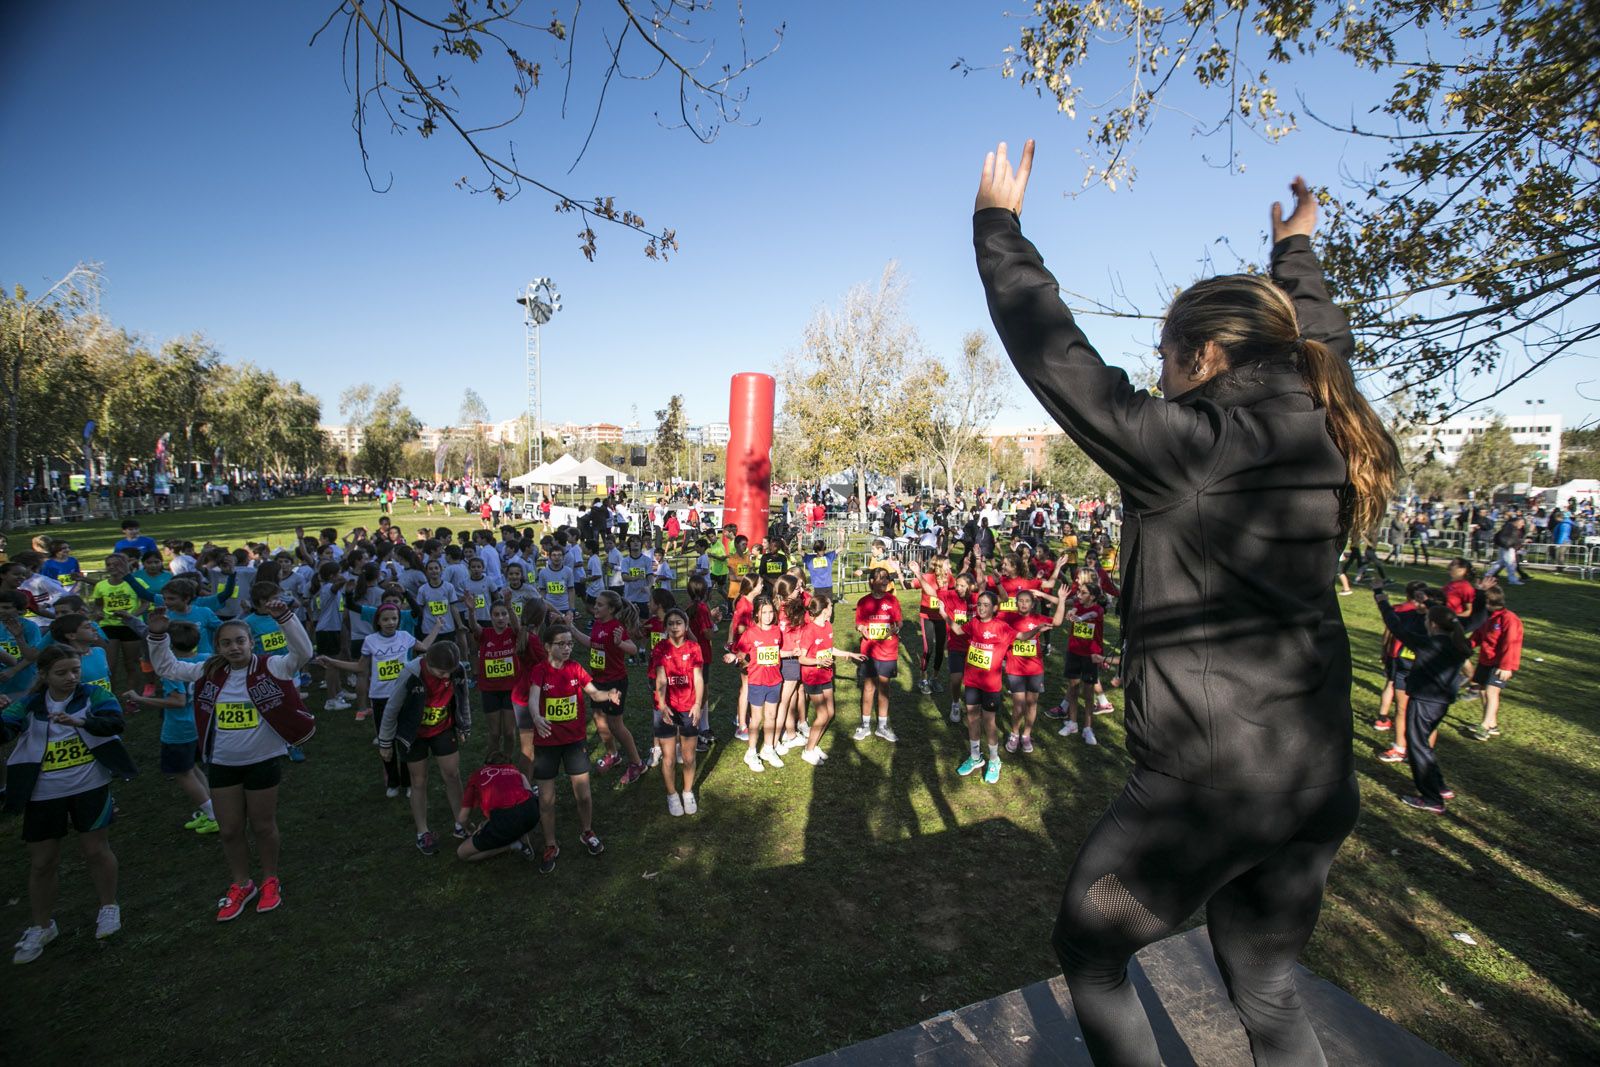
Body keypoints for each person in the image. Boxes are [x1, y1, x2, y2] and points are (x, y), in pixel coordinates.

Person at [976, 149, 1399, 1064]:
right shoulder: (1326, 419)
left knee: (1089, 953)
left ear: (1204, 356)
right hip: (1318, 779)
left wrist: (997, 234)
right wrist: (1296, 254)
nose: (1158, 376)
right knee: (1268, 986)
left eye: (1166, 360)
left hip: (1207, 789)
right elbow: (1323, 340)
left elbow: (1064, 365)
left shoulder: (1191, 449)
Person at [146, 598, 315, 922]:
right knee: (229, 830)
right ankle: (242, 883)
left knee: (264, 826)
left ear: (251, 642)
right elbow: (167, 668)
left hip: (263, 759)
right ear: (217, 647)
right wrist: (157, 637)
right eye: (226, 643)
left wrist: (285, 618)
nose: (234, 648)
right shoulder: (207, 671)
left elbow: (302, 654)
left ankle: (269, 879)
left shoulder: (271, 667)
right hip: (222, 763)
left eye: (240, 641)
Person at [2, 645, 134, 963]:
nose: (71, 678)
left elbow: (115, 723)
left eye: (75, 670)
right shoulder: (30, 704)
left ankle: (108, 907)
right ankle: (42, 925)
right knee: (42, 862)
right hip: (43, 793)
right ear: (44, 675)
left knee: (95, 850)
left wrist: (80, 723)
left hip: (90, 786)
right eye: (61, 673)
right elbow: (5, 731)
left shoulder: (93, 695)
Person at [1371, 574, 1490, 812]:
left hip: (1424, 702)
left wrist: (1379, 595)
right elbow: (1478, 616)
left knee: (1417, 749)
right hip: (1441, 702)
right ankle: (1440, 787)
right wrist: (1479, 593)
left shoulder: (1427, 644)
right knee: (1423, 745)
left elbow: (1393, 624)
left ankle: (1431, 798)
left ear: (1432, 624)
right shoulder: (1458, 641)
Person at [513, 625, 619, 874]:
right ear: (548, 647)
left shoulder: (575, 669)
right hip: (547, 743)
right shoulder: (540, 671)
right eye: (561, 643)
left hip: (574, 742)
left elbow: (593, 692)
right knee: (547, 800)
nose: (567, 647)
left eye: (570, 643)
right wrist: (537, 717)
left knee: (583, 794)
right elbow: (533, 697)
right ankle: (550, 844)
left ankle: (587, 831)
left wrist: (608, 694)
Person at [376, 644, 473, 854]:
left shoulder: (457, 670)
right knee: (418, 781)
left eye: (449, 671)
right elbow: (392, 708)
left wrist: (464, 724)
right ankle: (423, 832)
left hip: (443, 729)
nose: (446, 676)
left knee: (452, 775)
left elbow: (463, 696)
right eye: (440, 672)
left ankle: (461, 823)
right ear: (428, 662)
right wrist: (385, 742)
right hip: (414, 735)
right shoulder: (411, 673)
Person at [121, 621, 217, 835]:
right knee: (191, 767)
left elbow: (177, 701)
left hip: (178, 729)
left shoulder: (171, 669)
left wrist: (140, 699)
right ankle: (215, 807)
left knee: (182, 773)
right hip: (198, 723)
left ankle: (213, 815)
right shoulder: (205, 659)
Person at [650, 608, 705, 815]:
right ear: (666, 627)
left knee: (689, 756)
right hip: (666, 709)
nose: (674, 627)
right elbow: (661, 678)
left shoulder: (694, 648)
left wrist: (698, 704)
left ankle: (688, 791)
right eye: (671, 623)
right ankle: (672, 795)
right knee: (669, 758)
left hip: (689, 707)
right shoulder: (660, 649)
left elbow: (698, 678)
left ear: (686, 626)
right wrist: (663, 705)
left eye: (678, 623)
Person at [726, 595, 786, 772]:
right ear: (757, 615)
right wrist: (734, 657)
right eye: (764, 613)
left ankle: (768, 748)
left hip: (775, 680)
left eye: (770, 612)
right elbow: (741, 654)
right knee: (757, 718)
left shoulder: (776, 631)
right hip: (757, 681)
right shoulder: (750, 633)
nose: (768, 616)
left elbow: (777, 651)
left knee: (771, 716)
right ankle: (751, 752)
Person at [454, 748, 541, 861]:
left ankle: (513, 845)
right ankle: (521, 835)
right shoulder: (514, 771)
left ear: (485, 765)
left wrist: (469, 828)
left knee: (463, 853)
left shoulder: (476, 776)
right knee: (518, 808)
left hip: (504, 820)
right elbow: (527, 788)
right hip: (532, 813)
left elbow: (462, 818)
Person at [852, 568, 903, 743]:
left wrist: (896, 628)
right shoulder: (863, 602)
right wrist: (861, 628)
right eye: (880, 578)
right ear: (872, 581)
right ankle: (865, 725)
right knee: (868, 688)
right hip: (869, 650)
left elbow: (899, 622)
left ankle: (882, 726)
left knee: (884, 687)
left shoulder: (893, 600)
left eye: (886, 578)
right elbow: (858, 623)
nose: (883, 581)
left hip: (888, 650)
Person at [1468, 585, 1523, 741]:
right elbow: (1478, 635)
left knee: (1492, 693)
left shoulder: (1509, 619)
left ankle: (1484, 727)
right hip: (1486, 659)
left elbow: (1511, 643)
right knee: (1482, 690)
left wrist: (1506, 666)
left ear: (1489, 602)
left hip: (1500, 664)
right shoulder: (1487, 617)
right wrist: (1466, 646)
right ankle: (1492, 724)